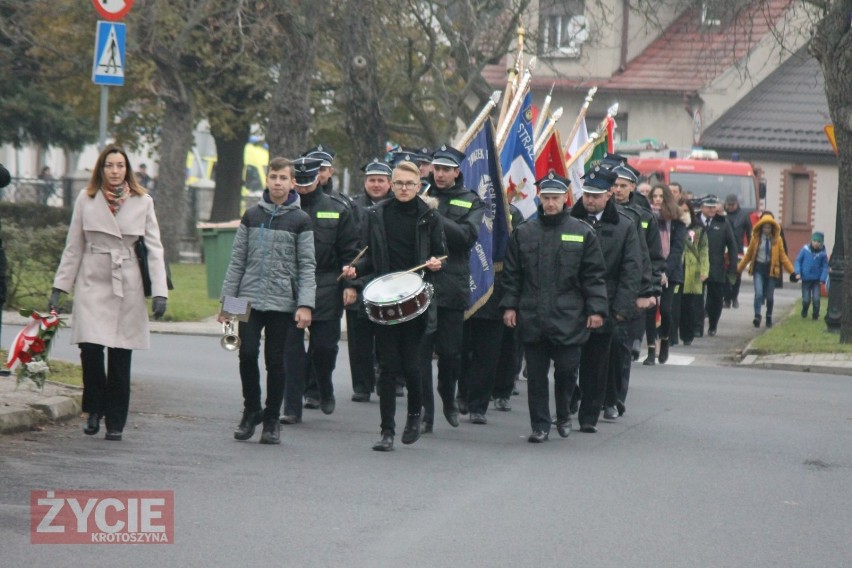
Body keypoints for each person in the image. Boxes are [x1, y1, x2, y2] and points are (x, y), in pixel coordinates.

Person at [50, 144, 168, 442]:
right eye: (109, 166)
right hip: (93, 277)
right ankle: (94, 409)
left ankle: (115, 421)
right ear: (101, 169)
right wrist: (59, 287)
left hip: (126, 280)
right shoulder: (86, 199)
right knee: (89, 349)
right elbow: (73, 245)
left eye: (120, 166)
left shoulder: (143, 202)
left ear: (127, 169)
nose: (115, 171)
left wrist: (160, 291)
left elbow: (154, 249)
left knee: (120, 355)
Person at [343, 160, 446, 451]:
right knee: (387, 367)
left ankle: (414, 418)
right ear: (391, 184)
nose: (403, 188)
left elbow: (442, 256)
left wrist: (437, 264)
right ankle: (386, 431)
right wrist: (356, 271)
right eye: (398, 183)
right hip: (385, 299)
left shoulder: (430, 217)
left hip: (416, 301)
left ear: (418, 187)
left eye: (409, 184)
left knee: (412, 366)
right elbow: (368, 256)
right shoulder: (376, 215)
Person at [501, 171, 608, 443]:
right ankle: (539, 424)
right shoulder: (525, 233)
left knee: (566, 371)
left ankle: (563, 414)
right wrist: (510, 306)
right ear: (540, 198)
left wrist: (596, 310)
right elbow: (513, 275)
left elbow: (593, 275)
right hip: (532, 315)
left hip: (569, 317)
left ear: (566, 199)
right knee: (536, 375)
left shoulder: (582, 232)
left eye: (555, 198)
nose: (550, 204)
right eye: (546, 198)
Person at [219, 157, 316, 444]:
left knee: (275, 361)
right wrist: (227, 304)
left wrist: (305, 304)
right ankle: (251, 410)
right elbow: (237, 261)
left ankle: (272, 419)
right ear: (267, 179)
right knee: (246, 354)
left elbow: (307, 265)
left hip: (282, 302)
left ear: (292, 183)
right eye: (273, 177)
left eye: (283, 178)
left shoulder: (301, 220)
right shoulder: (251, 215)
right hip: (246, 299)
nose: (277, 182)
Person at [569, 168, 641, 433]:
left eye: (596, 196)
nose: (589, 200)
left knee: (596, 364)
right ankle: (566, 406)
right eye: (586, 194)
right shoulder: (570, 220)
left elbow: (631, 269)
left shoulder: (624, 226)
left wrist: (621, 308)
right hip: (570, 303)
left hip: (606, 305)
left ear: (608, 195)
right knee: (567, 362)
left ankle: (589, 415)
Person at [419, 145, 485, 432]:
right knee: (420, 353)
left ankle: (447, 396)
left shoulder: (470, 201)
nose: (441, 174)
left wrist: (435, 216)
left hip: (452, 284)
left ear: (457, 172)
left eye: (447, 169)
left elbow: (465, 238)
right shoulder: (420, 195)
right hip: (421, 284)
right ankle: (424, 412)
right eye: (438, 168)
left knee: (449, 353)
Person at [296, 156, 360, 415]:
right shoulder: (287, 206)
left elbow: (349, 250)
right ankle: (299, 391)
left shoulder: (337, 208)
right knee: (291, 346)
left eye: (307, 181)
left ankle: (323, 386)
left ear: (319, 178)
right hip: (293, 280)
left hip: (327, 280)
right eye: (298, 183)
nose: (302, 187)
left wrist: (350, 284)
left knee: (324, 345)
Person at [345, 159, 395, 402]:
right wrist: (351, 283)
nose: (376, 185)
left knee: (388, 336)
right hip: (359, 278)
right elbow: (349, 248)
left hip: (387, 280)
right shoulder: (352, 207)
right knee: (359, 338)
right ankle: (362, 386)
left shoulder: (397, 206)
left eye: (381, 180)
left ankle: (391, 380)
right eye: (371, 180)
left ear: (389, 183)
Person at [643, 184, 686, 365]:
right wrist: (654, 270)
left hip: (671, 271)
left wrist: (666, 271)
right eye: (655, 196)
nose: (657, 199)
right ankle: (651, 349)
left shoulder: (677, 222)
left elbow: (677, 250)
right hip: (651, 269)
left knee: (666, 310)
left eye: (661, 196)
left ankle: (665, 340)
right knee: (650, 308)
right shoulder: (647, 218)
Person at [737, 214, 797, 328]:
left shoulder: (777, 240)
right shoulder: (755, 239)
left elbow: (783, 257)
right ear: (760, 227)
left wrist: (792, 272)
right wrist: (739, 269)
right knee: (758, 293)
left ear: (773, 228)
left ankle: (768, 315)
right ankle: (757, 315)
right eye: (764, 227)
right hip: (758, 268)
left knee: (769, 296)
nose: (766, 230)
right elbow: (748, 255)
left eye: (769, 227)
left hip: (771, 270)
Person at [698, 195, 738, 336]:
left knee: (715, 298)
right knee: (697, 298)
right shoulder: (695, 222)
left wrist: (733, 267)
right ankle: (697, 326)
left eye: (713, 207)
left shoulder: (723, 223)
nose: (711, 209)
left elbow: (732, 246)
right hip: (697, 268)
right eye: (709, 207)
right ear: (702, 208)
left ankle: (713, 325)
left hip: (716, 267)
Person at [680, 206, 709, 346]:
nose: (683, 213)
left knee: (690, 305)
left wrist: (704, 270)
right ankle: (672, 333)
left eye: (686, 210)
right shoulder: (671, 224)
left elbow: (703, 250)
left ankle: (688, 333)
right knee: (673, 305)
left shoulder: (698, 229)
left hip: (692, 270)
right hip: (676, 268)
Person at [723, 194, 751, 308]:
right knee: (725, 276)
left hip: (738, 249)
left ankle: (734, 297)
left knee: (736, 275)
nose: (730, 207)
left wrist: (751, 249)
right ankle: (727, 299)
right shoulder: (723, 215)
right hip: (724, 249)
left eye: (732, 205)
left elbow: (750, 233)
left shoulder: (743, 215)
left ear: (737, 204)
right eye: (728, 204)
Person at [795, 232, 829, 320]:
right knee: (806, 299)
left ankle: (815, 315)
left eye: (818, 241)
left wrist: (822, 278)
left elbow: (825, 266)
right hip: (806, 279)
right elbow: (798, 261)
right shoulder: (805, 250)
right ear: (811, 241)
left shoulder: (822, 254)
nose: (816, 243)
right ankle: (805, 309)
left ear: (821, 243)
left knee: (816, 299)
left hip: (816, 280)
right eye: (814, 241)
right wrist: (798, 272)